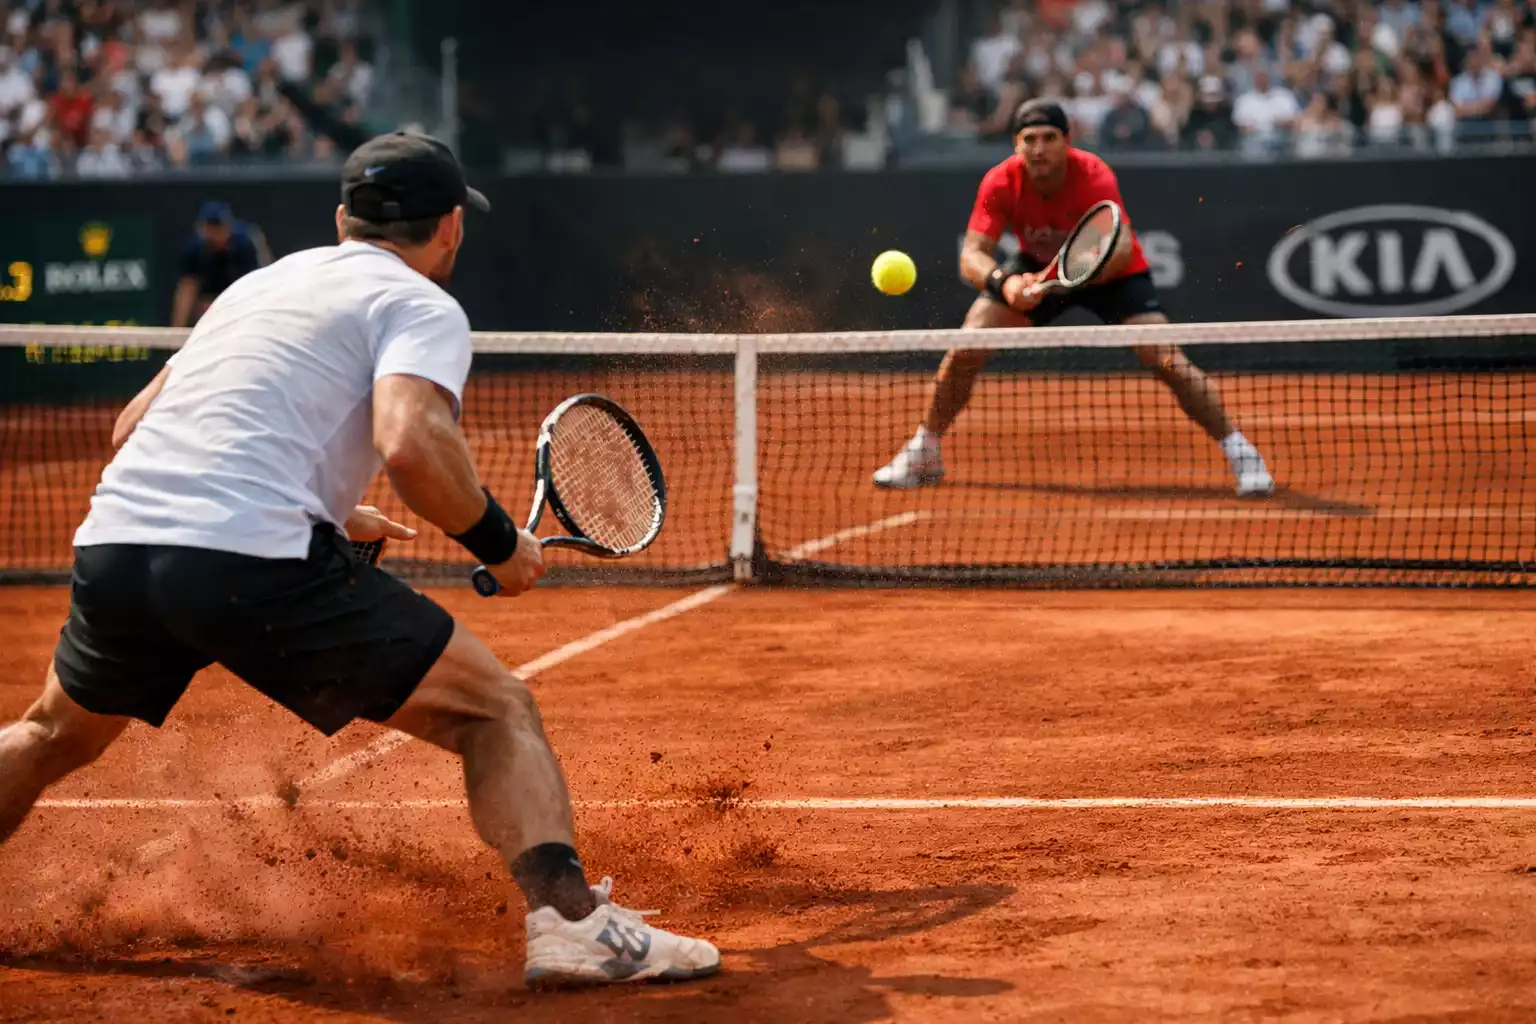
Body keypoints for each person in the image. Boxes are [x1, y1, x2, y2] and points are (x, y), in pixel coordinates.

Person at [0, 131, 720, 989]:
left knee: (48, 734)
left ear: (342, 218)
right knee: (496, 711)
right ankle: (569, 926)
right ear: (451, 228)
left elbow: (132, 429)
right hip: (248, 562)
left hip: (117, 548)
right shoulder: (421, 304)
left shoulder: (253, 288)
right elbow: (411, 443)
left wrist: (332, 508)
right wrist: (502, 543)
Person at [873, 99, 1274, 498]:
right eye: (1030, 139)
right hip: (1038, 265)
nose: (1039, 148)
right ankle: (926, 448)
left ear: (1067, 141)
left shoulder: (1093, 175)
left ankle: (1240, 452)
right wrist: (1005, 284)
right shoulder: (1000, 181)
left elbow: (1116, 250)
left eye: (1050, 138)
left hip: (1111, 273)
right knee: (966, 345)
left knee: (1164, 356)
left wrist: (1065, 282)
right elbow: (972, 256)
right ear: (1016, 143)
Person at [171, 201, 272, 328]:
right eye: (210, 227)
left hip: (241, 301)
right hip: (209, 304)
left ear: (228, 226)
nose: (214, 233)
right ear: (201, 228)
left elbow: (261, 282)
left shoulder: (245, 244)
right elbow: (187, 290)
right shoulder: (194, 250)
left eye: (218, 227)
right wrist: (177, 329)